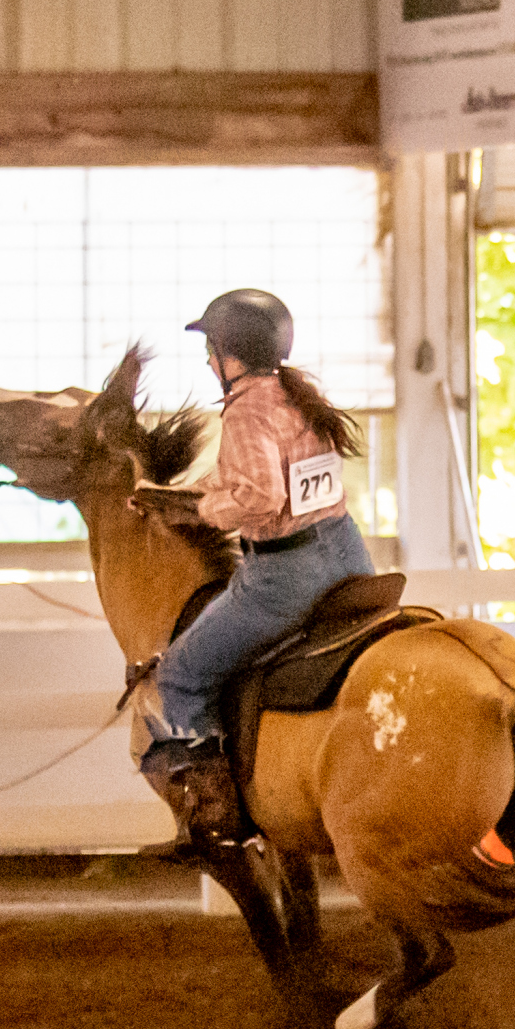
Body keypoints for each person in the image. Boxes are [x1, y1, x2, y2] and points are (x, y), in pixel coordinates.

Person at [136, 288, 374, 860]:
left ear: (232, 355)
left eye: (212, 351)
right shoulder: (297, 396)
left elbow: (262, 497)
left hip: (285, 577)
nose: (208, 362)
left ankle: (216, 818)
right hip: (347, 557)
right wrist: (178, 496)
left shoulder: (245, 411)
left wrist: (201, 511)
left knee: (180, 675)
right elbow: (268, 480)